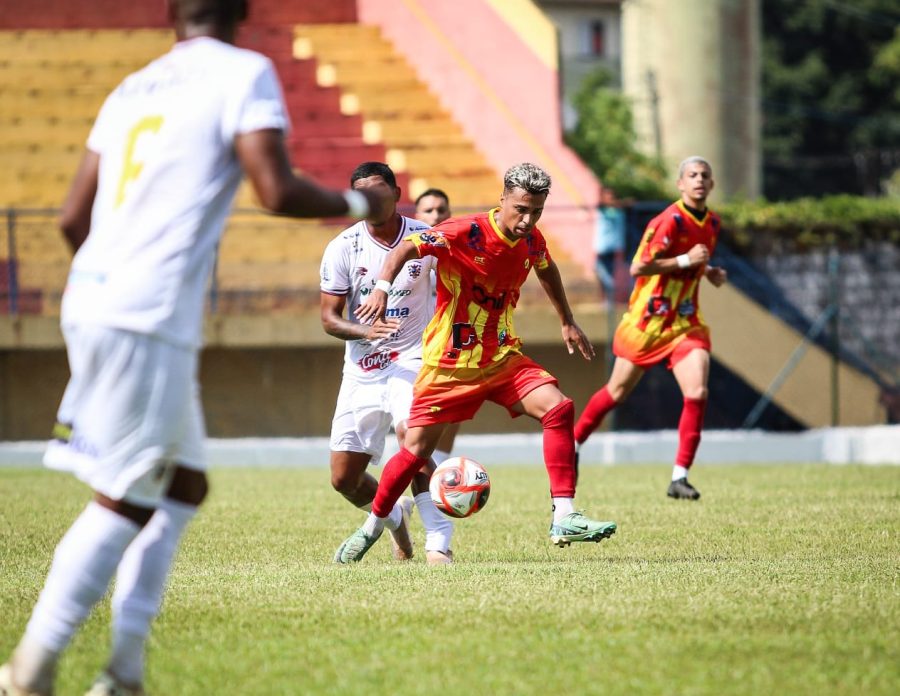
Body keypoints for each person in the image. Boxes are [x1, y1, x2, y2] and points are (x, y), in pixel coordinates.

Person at [0, 2, 390, 695]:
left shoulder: (132, 86)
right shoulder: (244, 71)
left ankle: (124, 672)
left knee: (183, 486)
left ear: (172, 15)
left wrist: (107, 281)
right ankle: (31, 670)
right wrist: (362, 205)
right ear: (242, 13)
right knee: (123, 498)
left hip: (95, 295)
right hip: (144, 313)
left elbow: (70, 218)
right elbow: (274, 189)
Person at [333, 162, 618, 564]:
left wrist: (567, 320)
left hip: (501, 357)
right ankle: (373, 526)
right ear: (502, 198)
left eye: (536, 211)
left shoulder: (532, 239)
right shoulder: (463, 232)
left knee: (559, 408)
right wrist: (382, 288)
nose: (527, 219)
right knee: (414, 452)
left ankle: (565, 515)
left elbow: (547, 269)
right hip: (449, 364)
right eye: (520, 208)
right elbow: (405, 248)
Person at [320, 164, 455, 567]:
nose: (373, 201)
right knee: (343, 479)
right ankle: (395, 518)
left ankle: (439, 541)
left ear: (397, 193)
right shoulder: (342, 247)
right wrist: (366, 332)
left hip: (414, 356)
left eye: (380, 192)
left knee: (410, 442)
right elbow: (329, 318)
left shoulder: (424, 238)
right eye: (364, 195)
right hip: (362, 370)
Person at [573, 156, 728, 500]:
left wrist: (708, 272)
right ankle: (575, 442)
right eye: (692, 175)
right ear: (681, 184)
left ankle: (679, 477)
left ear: (712, 184)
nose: (699, 180)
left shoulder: (713, 223)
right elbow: (639, 266)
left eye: (705, 175)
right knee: (616, 392)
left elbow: (693, 259)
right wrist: (688, 261)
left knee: (697, 391)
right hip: (647, 322)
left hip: (685, 322)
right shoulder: (669, 220)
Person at [413, 188, 459, 464]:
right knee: (414, 416)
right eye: (428, 210)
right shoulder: (408, 251)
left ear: (450, 214)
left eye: (441, 210)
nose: (435, 215)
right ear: (416, 215)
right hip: (413, 344)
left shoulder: (460, 250)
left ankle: (439, 471)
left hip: (450, 343)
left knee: (453, 408)